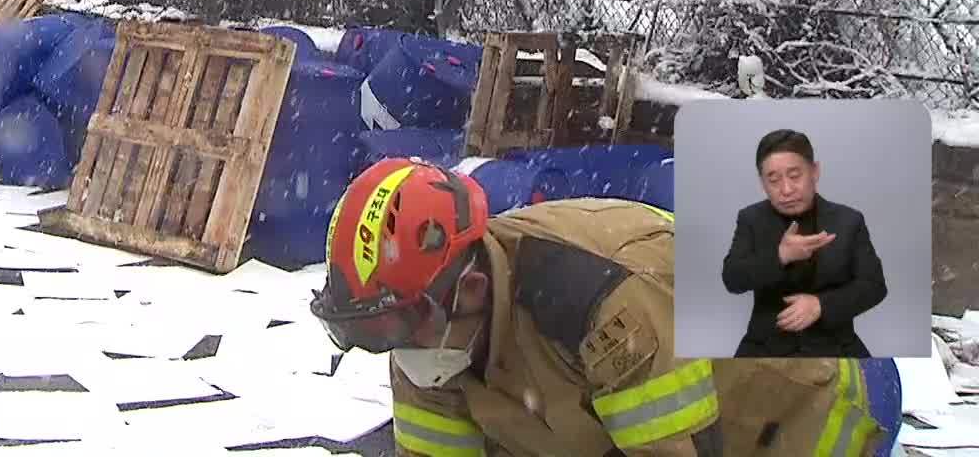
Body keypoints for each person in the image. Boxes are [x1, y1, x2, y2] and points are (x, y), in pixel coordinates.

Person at [310, 157, 890, 456]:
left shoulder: (601, 302)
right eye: (371, 333)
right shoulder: (428, 328)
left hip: (811, 400)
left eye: (396, 326)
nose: (392, 351)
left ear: (472, 289)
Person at [723, 129, 887, 358]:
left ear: (815, 171)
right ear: (762, 183)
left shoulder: (848, 221)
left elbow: (874, 286)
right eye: (774, 180)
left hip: (836, 345)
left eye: (794, 175)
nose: (786, 190)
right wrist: (780, 256)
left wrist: (821, 305)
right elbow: (732, 279)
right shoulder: (751, 219)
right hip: (766, 346)